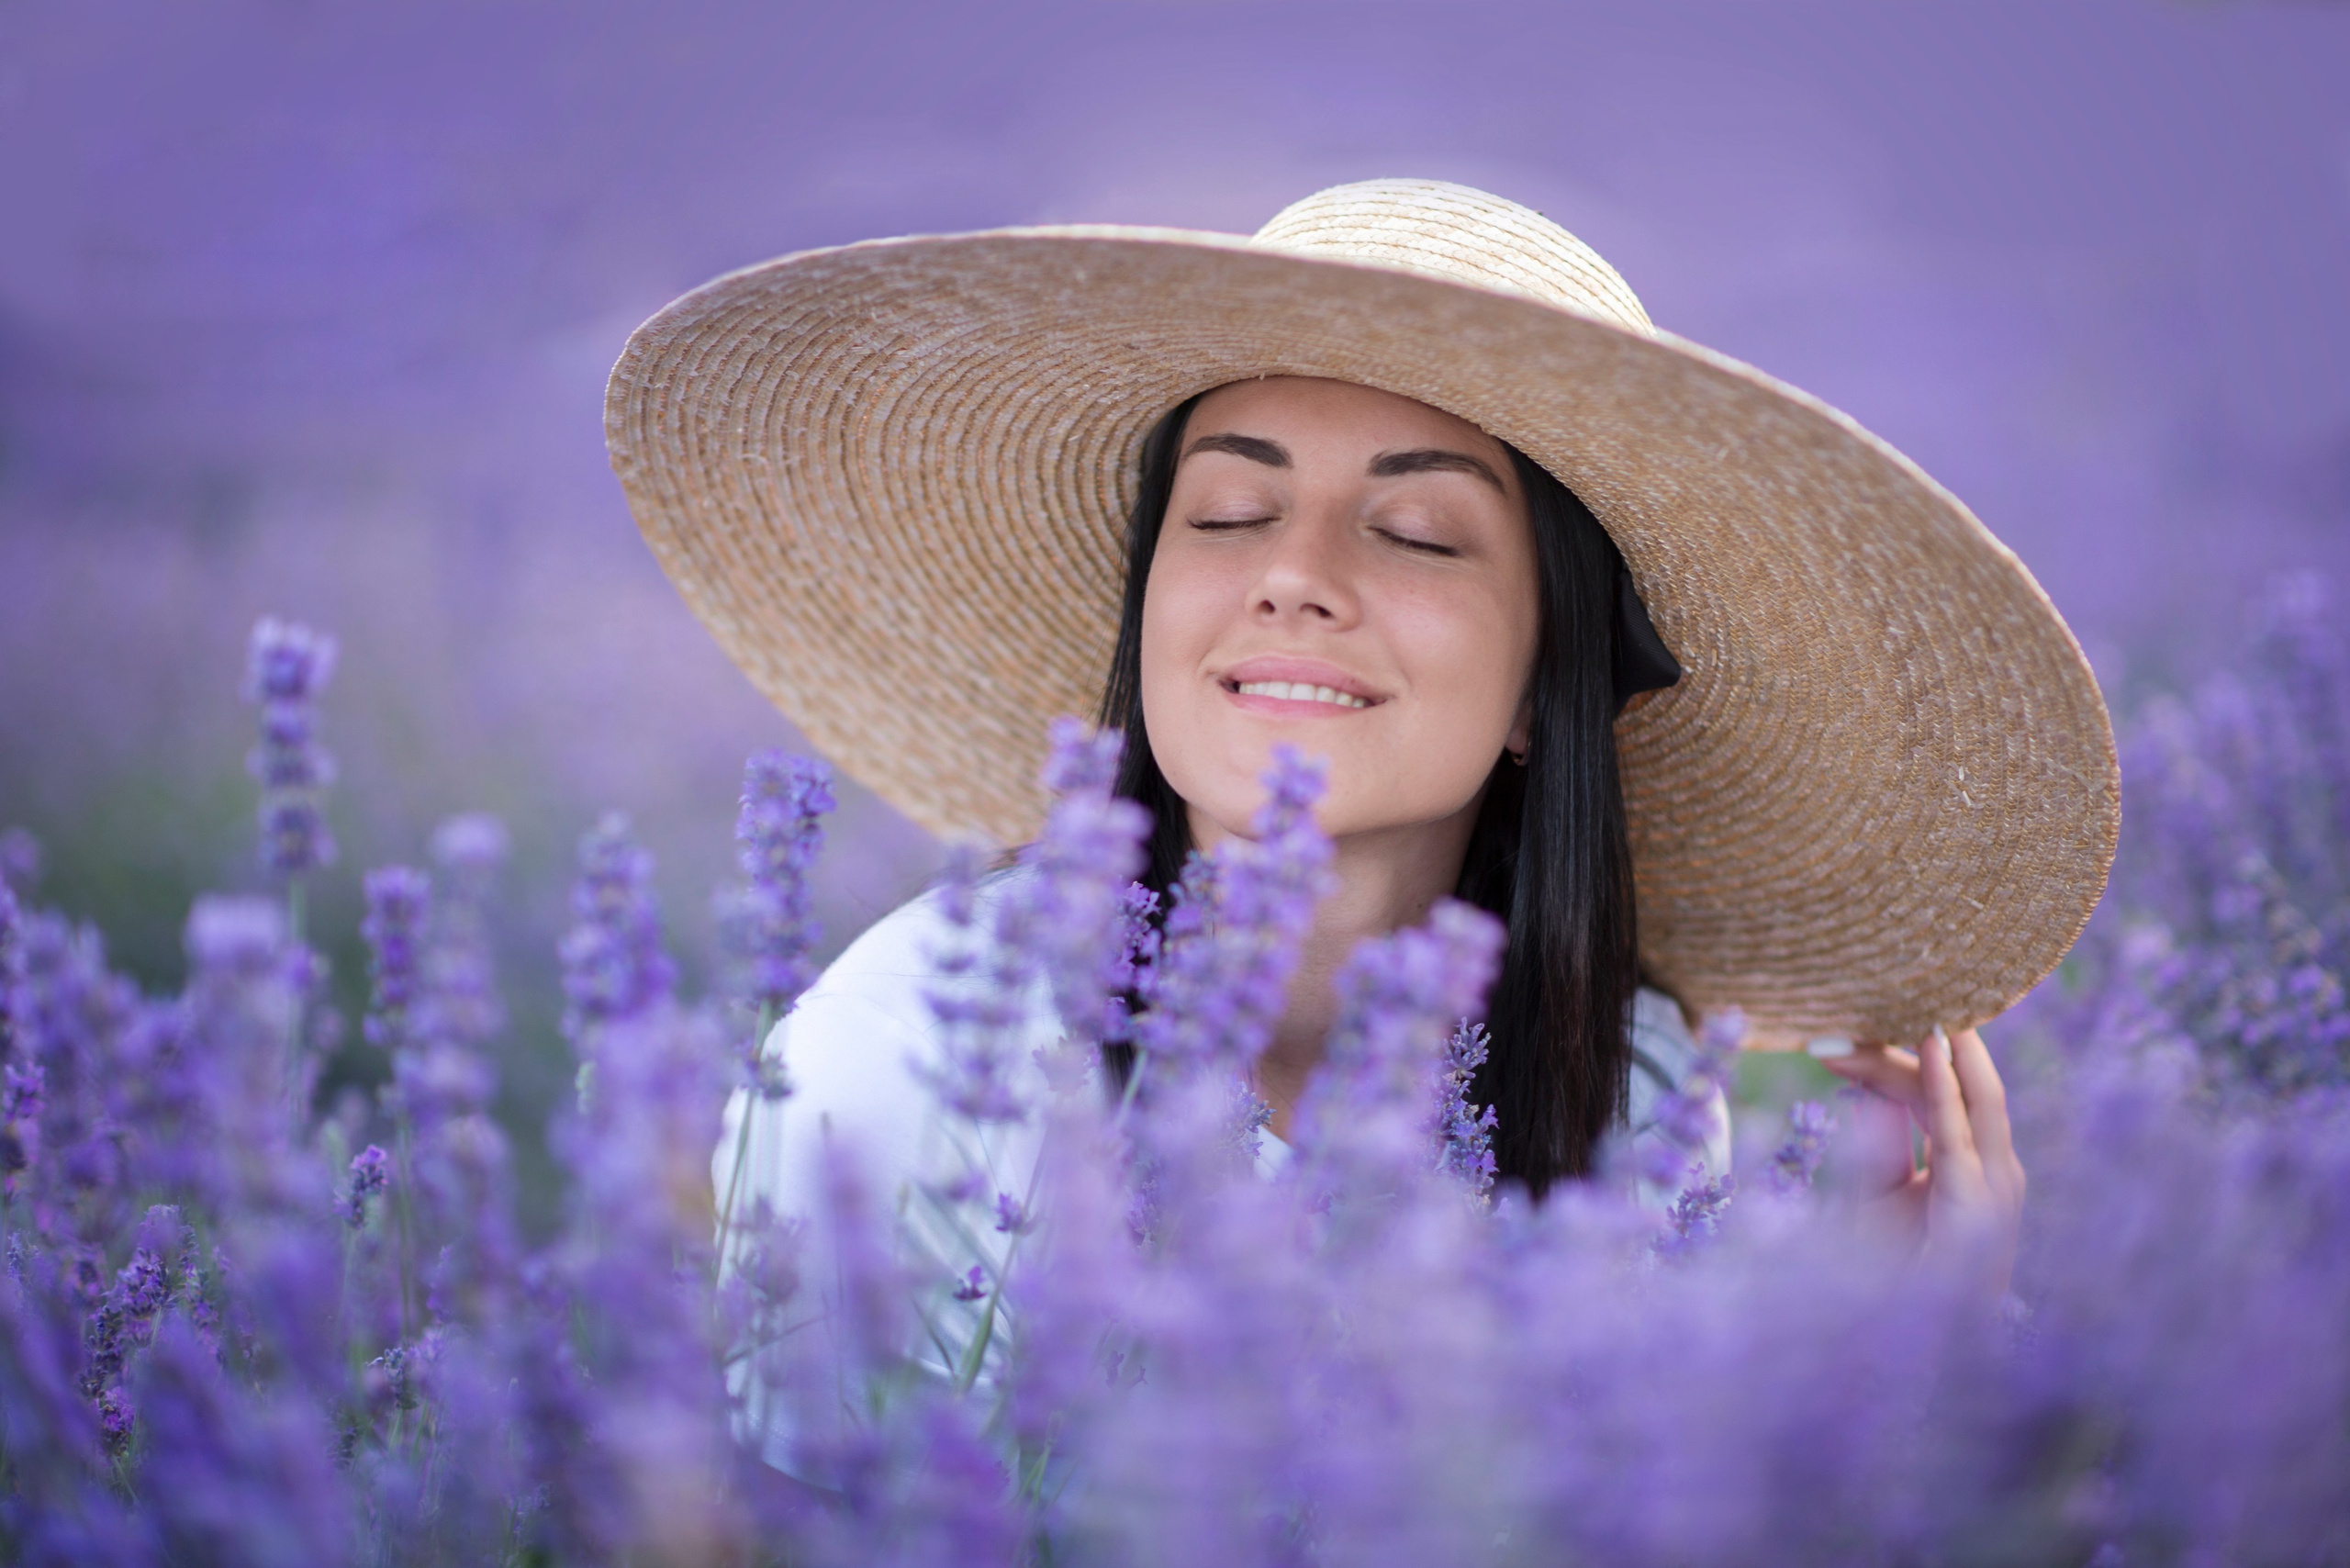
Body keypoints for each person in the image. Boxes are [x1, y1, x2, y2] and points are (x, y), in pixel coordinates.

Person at [606, 179, 2116, 1381]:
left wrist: (1898, 1367)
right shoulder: (900, 1073)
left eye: (1417, 534)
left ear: (1542, 688)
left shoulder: (1628, 1083)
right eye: (1230, 510)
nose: (1293, 581)